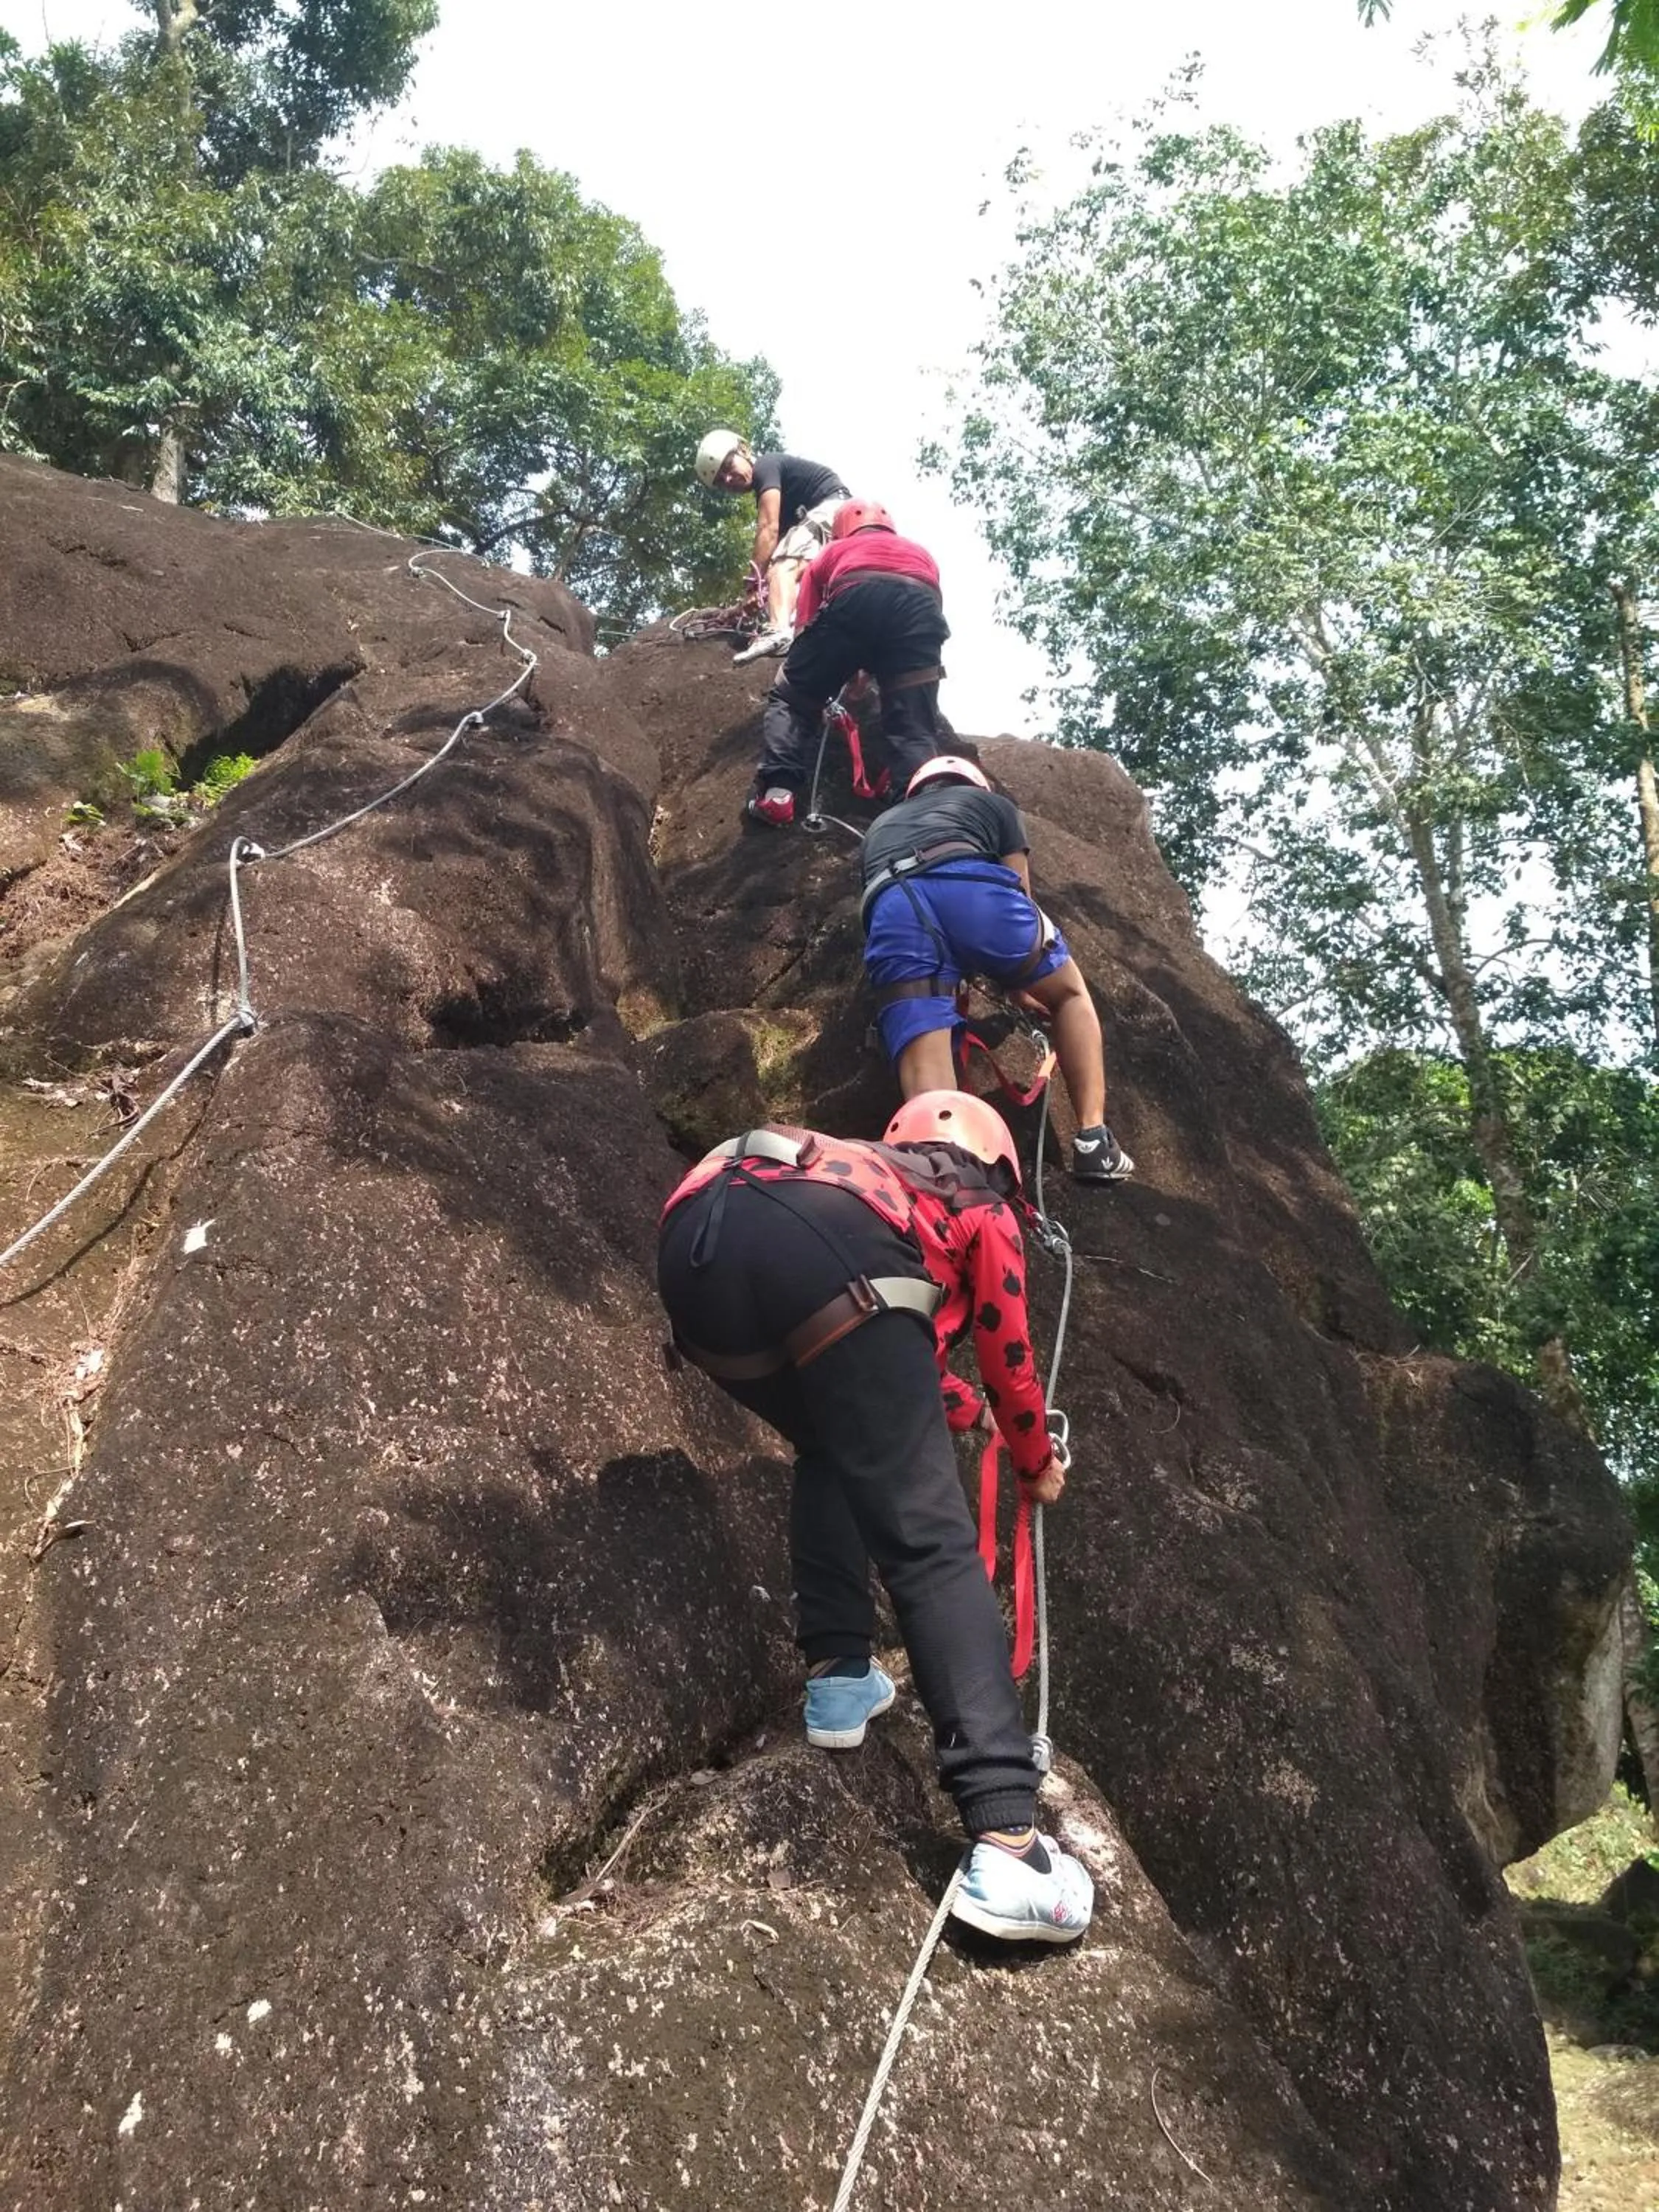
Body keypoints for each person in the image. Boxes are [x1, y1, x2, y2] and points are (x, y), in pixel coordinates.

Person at [658, 1091, 1093, 1944]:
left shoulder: (861, 1166)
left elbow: (885, 1377)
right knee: (928, 1537)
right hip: (825, 1255)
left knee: (833, 1439)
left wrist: (962, 1412)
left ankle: (839, 1680)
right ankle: (1009, 1839)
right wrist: (1036, 1460)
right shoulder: (976, 1196)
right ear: (998, 1160)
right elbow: (1010, 1356)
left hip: (694, 1242)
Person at [859, 757, 1134, 1184]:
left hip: (895, 908)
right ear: (973, 786)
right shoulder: (995, 807)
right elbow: (1018, 891)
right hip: (973, 891)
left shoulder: (880, 827)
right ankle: (1093, 1142)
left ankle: (946, 1183)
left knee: (931, 1089)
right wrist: (1019, 982)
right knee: (1068, 996)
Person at [743, 502, 950, 830]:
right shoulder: (921, 553)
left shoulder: (833, 551)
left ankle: (778, 794)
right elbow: (911, 617)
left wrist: (825, 676)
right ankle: (922, 816)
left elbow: (806, 629)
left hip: (854, 599)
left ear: (840, 530)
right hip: (921, 616)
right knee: (913, 727)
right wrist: (868, 667)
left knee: (791, 697)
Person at [695, 431, 851, 662]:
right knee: (785, 586)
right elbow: (770, 578)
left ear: (744, 451)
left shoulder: (766, 466)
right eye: (720, 481)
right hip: (838, 528)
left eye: (728, 466)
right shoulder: (792, 515)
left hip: (832, 508)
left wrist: (751, 586)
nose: (728, 479)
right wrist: (741, 607)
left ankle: (778, 632)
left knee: (783, 566)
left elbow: (768, 528)